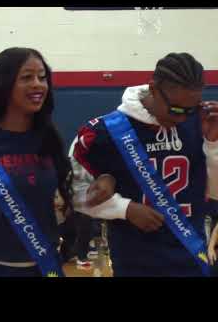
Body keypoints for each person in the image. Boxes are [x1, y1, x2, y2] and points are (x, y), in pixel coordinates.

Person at [0, 47, 113, 277]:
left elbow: (75, 196)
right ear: (4, 84)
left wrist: (105, 180)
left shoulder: (49, 141)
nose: (38, 84)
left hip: (46, 269)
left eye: (42, 78)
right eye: (26, 77)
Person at [70, 52, 218, 277]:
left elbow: (215, 192)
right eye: (177, 109)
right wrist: (124, 209)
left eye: (191, 108)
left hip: (191, 257)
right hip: (134, 261)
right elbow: (75, 195)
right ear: (153, 89)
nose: (183, 118)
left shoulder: (202, 122)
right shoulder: (102, 133)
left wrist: (213, 144)